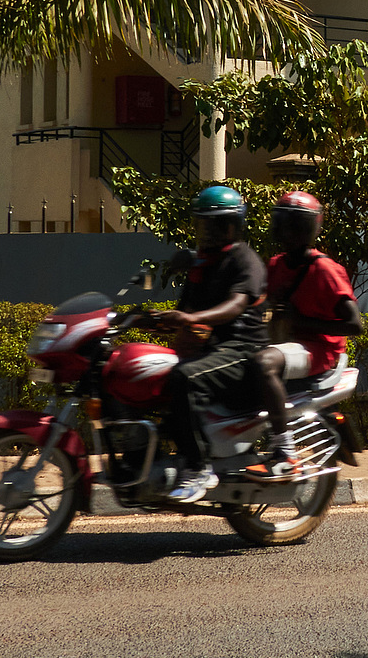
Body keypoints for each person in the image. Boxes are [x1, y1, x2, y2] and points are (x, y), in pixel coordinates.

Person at [153, 184, 269, 502]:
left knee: (184, 377)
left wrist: (191, 320)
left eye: (213, 224)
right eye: (201, 223)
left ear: (232, 225)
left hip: (242, 349)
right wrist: (152, 320)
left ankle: (197, 468)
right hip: (214, 350)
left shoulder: (245, 260)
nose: (205, 231)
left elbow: (235, 306)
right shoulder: (202, 264)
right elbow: (186, 311)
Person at [244, 191, 363, 480]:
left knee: (265, 363)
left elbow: (354, 325)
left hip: (320, 350)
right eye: (283, 223)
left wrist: (303, 322)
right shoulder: (275, 265)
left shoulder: (325, 270)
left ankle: (285, 453)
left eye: (293, 225)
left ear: (307, 228)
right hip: (288, 344)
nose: (286, 231)